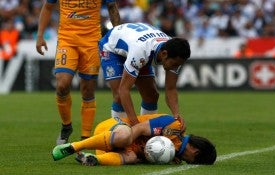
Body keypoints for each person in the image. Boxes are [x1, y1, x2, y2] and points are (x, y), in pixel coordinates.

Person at [35, 0, 121, 145]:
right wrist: (40, 35)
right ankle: (66, 126)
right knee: (62, 85)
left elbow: (112, 8)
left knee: (88, 90)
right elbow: (48, 7)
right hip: (67, 40)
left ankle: (85, 138)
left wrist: (119, 35)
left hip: (91, 41)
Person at [98, 22, 191, 126]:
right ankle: (120, 133)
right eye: (174, 64)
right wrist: (136, 125)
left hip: (136, 45)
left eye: (178, 65)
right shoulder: (141, 51)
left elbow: (170, 89)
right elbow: (124, 90)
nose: (175, 68)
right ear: (164, 54)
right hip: (112, 47)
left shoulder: (174, 52)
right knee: (119, 96)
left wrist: (176, 115)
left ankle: (147, 133)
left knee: (151, 95)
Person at [52, 113, 217, 166]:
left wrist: (143, 155)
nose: (187, 163)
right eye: (192, 162)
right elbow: (137, 129)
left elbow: (145, 153)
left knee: (132, 157)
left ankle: (94, 159)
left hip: (110, 150)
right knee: (125, 137)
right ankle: (73, 146)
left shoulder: (174, 156)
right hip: (113, 130)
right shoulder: (174, 126)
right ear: (195, 151)